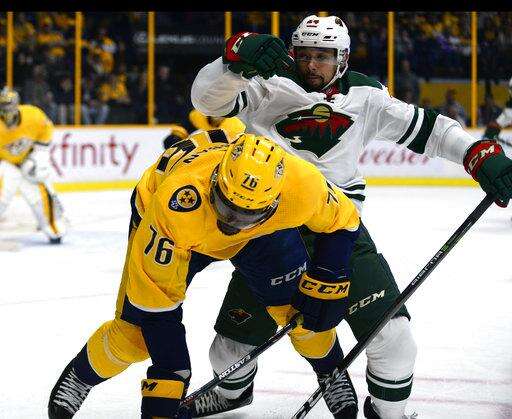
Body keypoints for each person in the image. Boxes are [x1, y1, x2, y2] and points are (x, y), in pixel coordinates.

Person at [191, 15, 512, 419]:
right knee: (227, 352)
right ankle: (233, 393)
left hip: (339, 231)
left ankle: (388, 413)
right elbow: (207, 102)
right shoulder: (266, 82)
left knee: (395, 340)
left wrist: (475, 153)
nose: (312, 64)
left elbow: (429, 129)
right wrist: (231, 63)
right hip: (267, 232)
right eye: (304, 55)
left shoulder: (366, 95)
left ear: (342, 59)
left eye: (323, 57)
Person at [47, 131, 362, 419]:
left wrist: (329, 274)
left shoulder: (302, 184)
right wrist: (170, 373)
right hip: (184, 229)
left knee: (300, 315)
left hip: (258, 235)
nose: (233, 224)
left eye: (246, 214)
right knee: (134, 335)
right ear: (214, 182)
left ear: (276, 200)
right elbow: (157, 309)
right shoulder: (174, 208)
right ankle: (81, 376)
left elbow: (344, 220)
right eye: (228, 208)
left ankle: (331, 371)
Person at [0, 86, 66, 243]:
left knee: (55, 232)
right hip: (7, 165)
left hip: (29, 162)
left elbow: (45, 137)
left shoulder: (33, 115)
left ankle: (54, 219)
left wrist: (37, 159)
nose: (6, 111)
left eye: (9, 106)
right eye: (3, 107)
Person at [162, 109, 245, 150]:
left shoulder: (235, 126)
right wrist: (176, 136)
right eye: (216, 108)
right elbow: (185, 126)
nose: (217, 114)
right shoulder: (200, 116)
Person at [483, 77, 512, 152]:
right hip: (509, 111)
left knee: (493, 126)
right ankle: (489, 144)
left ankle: (489, 142)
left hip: (509, 111)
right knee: (492, 127)